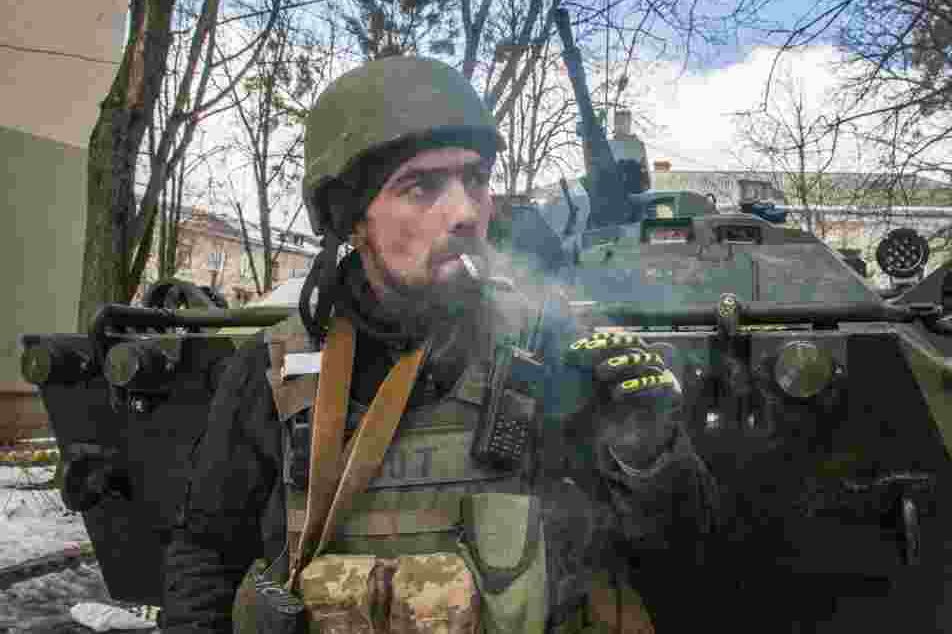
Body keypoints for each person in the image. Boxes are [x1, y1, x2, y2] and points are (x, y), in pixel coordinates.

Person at [160, 55, 719, 634]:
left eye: (475, 179)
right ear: (350, 218)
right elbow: (204, 556)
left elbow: (682, 557)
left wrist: (649, 451)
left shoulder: (548, 349)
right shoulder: (276, 370)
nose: (465, 211)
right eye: (421, 186)